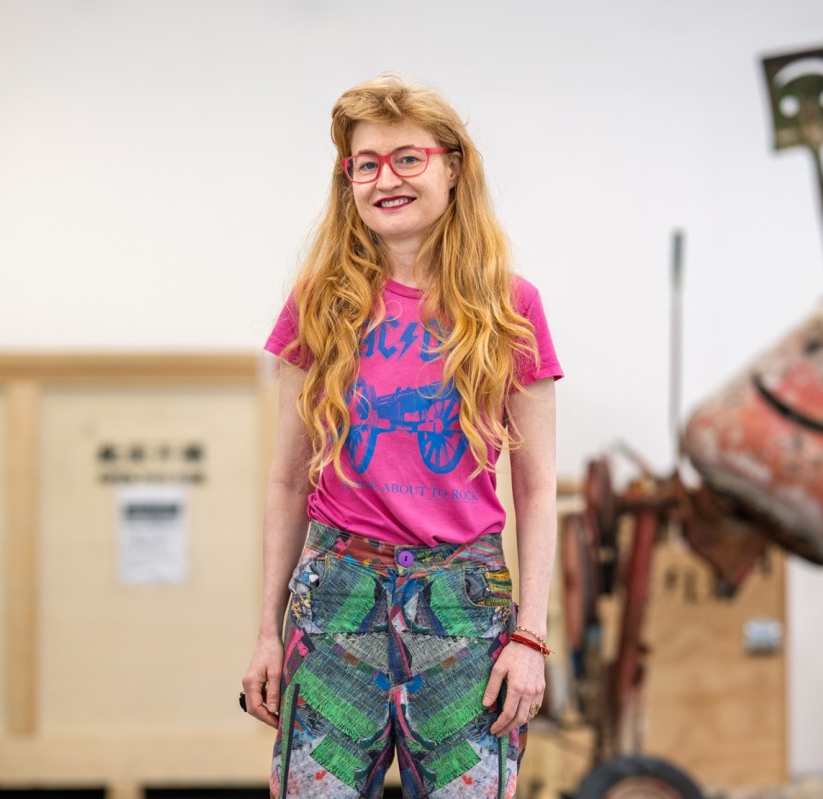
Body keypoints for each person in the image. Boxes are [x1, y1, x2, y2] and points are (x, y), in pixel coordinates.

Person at [241, 75, 563, 799]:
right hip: (335, 599)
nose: (385, 178)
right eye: (365, 163)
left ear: (452, 166)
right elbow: (288, 480)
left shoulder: (511, 307)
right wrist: (267, 630)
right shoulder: (318, 304)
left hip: (462, 603)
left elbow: (538, 487)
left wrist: (532, 637)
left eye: (407, 158)